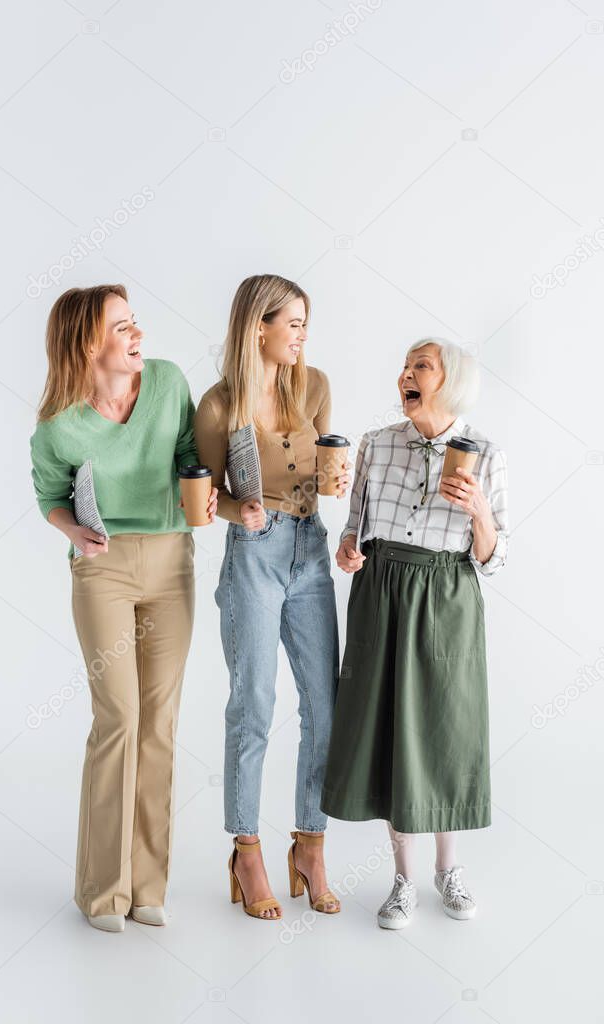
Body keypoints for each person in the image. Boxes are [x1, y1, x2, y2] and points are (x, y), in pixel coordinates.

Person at [30, 284, 217, 933]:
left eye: (135, 323)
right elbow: (50, 495)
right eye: (122, 328)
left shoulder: (165, 383)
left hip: (171, 561)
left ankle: (146, 886)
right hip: (101, 568)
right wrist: (72, 532)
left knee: (158, 721)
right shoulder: (57, 422)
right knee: (118, 717)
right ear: (87, 342)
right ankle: (100, 890)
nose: (138, 336)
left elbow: (190, 456)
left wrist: (205, 490)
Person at [320, 337, 508, 928]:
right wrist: (349, 553)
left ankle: (447, 870)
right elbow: (354, 532)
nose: (405, 374)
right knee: (388, 729)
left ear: (449, 382)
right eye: (404, 366)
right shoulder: (375, 445)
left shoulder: (487, 454)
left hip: (448, 594)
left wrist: (478, 510)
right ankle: (402, 879)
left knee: (445, 727)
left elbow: (494, 558)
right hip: (381, 593)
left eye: (419, 367)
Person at [195, 274, 349, 920]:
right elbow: (202, 500)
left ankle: (309, 846)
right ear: (257, 325)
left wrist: (336, 480)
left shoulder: (313, 387)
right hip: (253, 558)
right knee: (253, 704)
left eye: (304, 324)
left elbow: (323, 466)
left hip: (310, 550)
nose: (302, 335)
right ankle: (247, 849)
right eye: (293, 323)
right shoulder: (216, 406)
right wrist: (239, 509)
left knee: (325, 705)